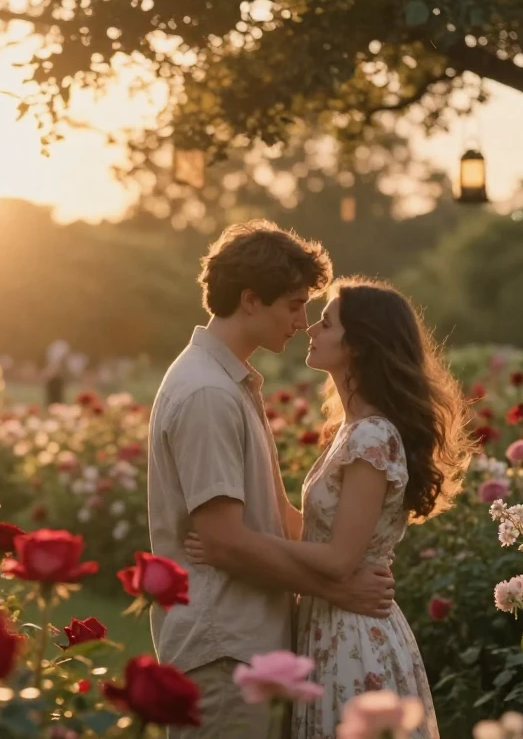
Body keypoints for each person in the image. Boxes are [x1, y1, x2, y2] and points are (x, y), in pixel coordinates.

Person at [186, 276, 473, 738]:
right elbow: (320, 534)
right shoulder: (351, 429)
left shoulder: (373, 436)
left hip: (355, 636)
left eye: (325, 323)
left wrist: (237, 544)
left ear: (359, 345)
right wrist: (233, 542)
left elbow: (339, 559)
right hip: (329, 625)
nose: (310, 330)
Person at [148, 222, 397, 739]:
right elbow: (223, 542)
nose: (302, 321)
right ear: (249, 299)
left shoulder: (230, 382)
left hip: (246, 645)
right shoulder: (208, 394)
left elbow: (269, 516)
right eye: (293, 304)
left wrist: (353, 547)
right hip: (224, 647)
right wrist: (339, 590)